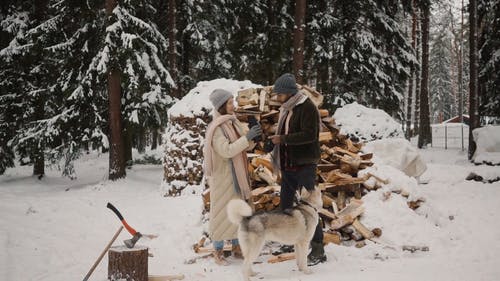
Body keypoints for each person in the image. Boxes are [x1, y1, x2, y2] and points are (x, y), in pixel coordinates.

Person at [268, 73, 327, 266]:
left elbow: (310, 135)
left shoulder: (307, 106)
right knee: (286, 204)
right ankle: (289, 239)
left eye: (279, 94)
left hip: (304, 166)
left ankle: (318, 249)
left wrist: (283, 139)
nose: (277, 98)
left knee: (308, 208)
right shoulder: (287, 108)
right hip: (289, 166)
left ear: (288, 92)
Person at [203, 89, 262, 265]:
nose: (233, 105)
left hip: (237, 175)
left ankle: (237, 247)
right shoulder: (216, 128)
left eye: (233, 102)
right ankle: (218, 251)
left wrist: (253, 135)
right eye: (230, 103)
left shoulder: (233, 122)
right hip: (224, 178)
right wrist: (247, 139)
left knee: (239, 212)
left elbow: (244, 146)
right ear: (221, 106)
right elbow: (227, 150)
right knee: (221, 214)